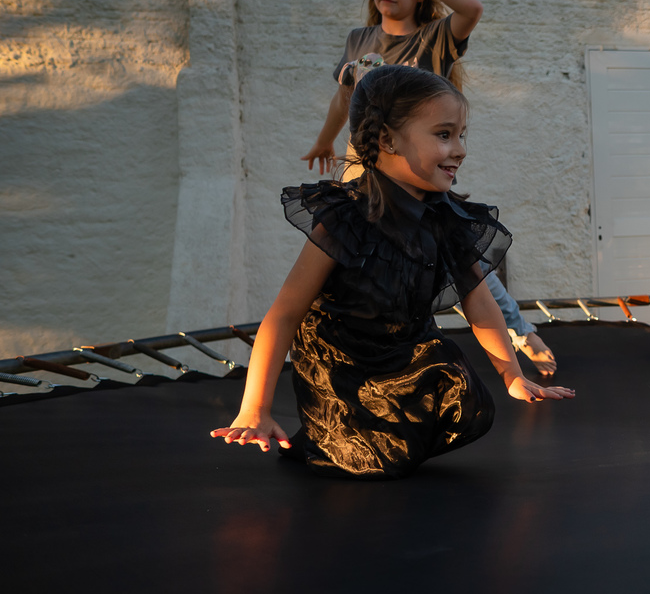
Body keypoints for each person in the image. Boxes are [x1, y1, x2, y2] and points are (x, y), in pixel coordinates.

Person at [212, 66, 574, 477]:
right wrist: (254, 407)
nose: (459, 149)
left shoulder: (447, 219)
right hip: (339, 361)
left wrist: (511, 374)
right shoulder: (345, 220)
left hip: (404, 351)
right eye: (443, 135)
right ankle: (330, 436)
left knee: (469, 404)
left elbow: (480, 302)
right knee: (369, 464)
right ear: (386, 139)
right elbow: (284, 315)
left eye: (461, 134)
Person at [302, 0, 557, 376]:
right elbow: (344, 97)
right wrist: (325, 141)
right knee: (349, 253)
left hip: (413, 167)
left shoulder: (434, 38)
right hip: (362, 165)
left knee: (456, 255)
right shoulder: (359, 40)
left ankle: (518, 330)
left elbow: (472, 8)